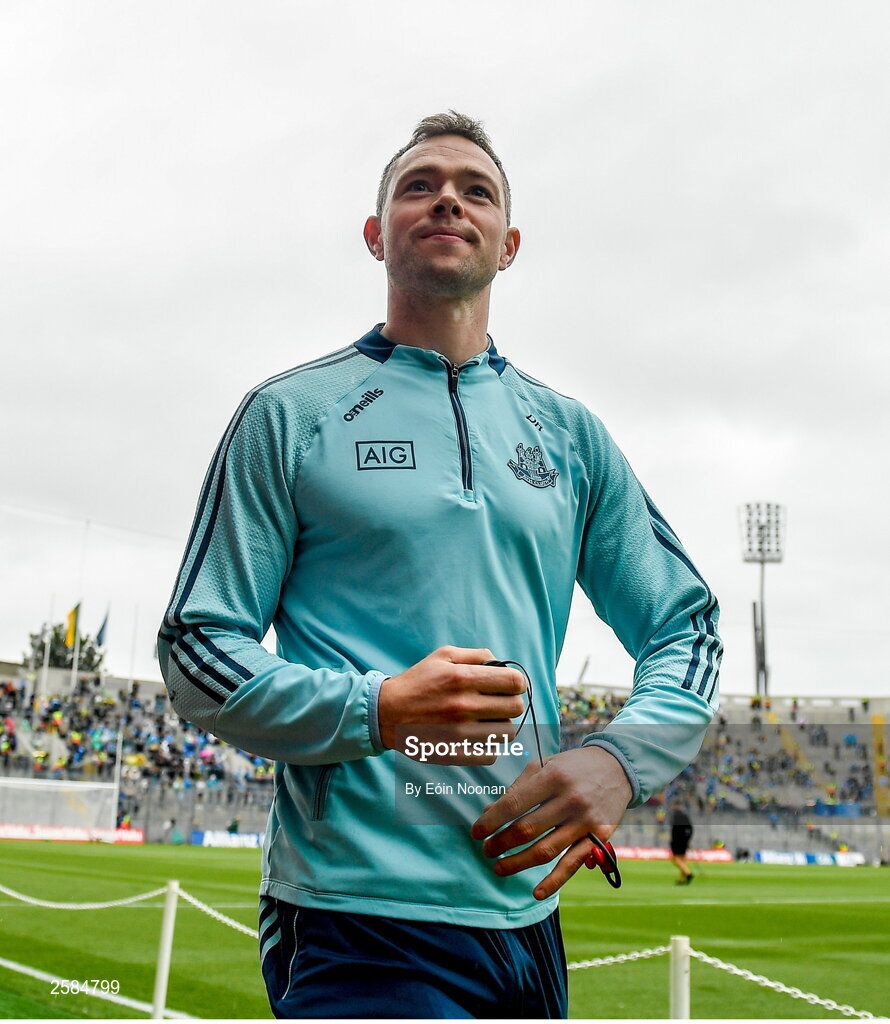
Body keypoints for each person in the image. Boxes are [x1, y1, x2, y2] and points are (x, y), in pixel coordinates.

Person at [158, 111, 722, 1019]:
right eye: (418, 184)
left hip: (525, 914)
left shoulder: (570, 437)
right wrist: (376, 709)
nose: (447, 197)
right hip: (356, 916)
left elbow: (683, 624)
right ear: (377, 233)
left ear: (510, 246)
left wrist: (619, 761)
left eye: (476, 189)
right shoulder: (291, 415)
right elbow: (198, 646)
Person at [669, 800, 695, 884]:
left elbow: (676, 830)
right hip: (683, 841)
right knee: (682, 860)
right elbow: (690, 829)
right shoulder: (683, 816)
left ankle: (688, 873)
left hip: (678, 841)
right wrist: (687, 839)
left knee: (675, 859)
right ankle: (682, 879)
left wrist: (674, 839)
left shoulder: (678, 816)